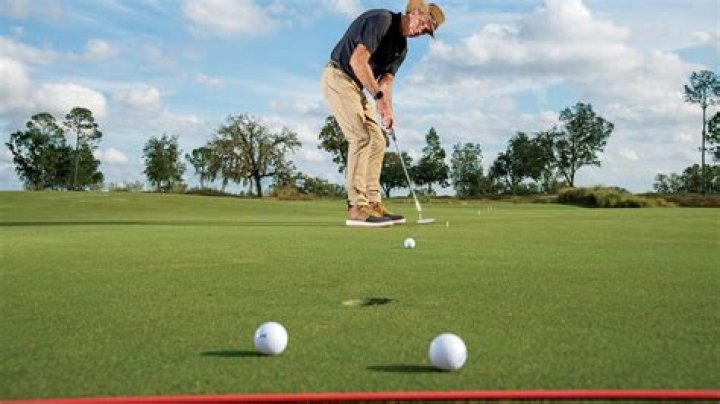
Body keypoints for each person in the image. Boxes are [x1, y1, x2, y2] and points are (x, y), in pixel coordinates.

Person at [321, 0, 445, 227]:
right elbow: (357, 61)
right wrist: (378, 98)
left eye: (428, 31)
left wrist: (388, 110)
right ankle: (356, 207)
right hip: (338, 77)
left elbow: (386, 82)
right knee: (360, 137)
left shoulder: (402, 48)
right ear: (415, 12)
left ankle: (372, 202)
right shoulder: (382, 20)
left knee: (378, 140)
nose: (422, 31)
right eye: (424, 23)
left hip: (358, 87)